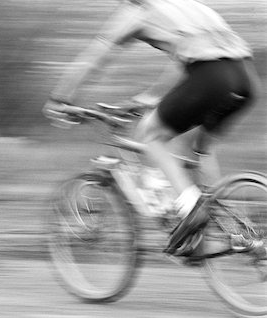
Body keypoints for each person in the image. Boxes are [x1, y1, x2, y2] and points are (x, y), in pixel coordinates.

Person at [43, 0, 260, 255]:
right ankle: (232, 234)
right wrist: (144, 100)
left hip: (211, 76)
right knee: (197, 152)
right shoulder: (189, 8)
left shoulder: (138, 11)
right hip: (245, 79)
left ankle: (192, 210)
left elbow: (94, 59)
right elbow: (183, 63)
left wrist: (60, 99)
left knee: (151, 135)